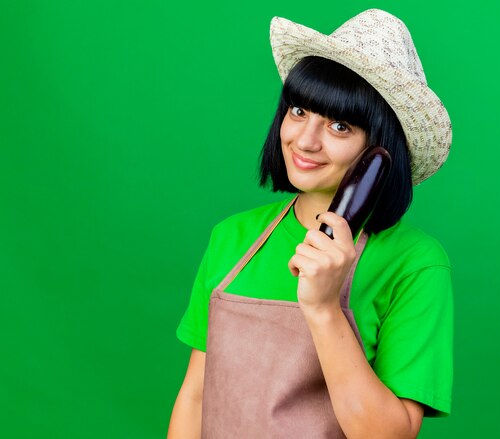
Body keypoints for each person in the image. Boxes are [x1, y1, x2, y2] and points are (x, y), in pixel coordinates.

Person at [168, 8, 453, 439]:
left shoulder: (415, 262)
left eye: (339, 125)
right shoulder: (231, 237)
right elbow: (195, 396)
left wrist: (323, 308)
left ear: (378, 153)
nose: (304, 140)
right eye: (299, 110)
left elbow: (390, 435)